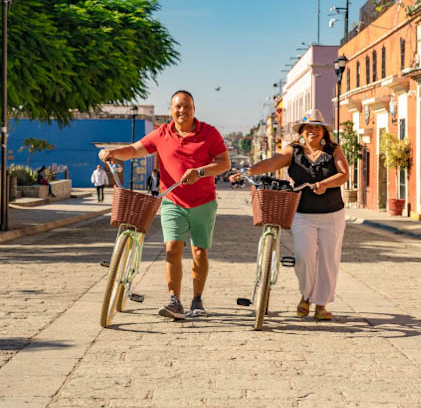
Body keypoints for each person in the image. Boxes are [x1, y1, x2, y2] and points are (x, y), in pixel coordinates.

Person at [99, 91, 231, 319]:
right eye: (177, 106)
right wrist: (113, 153)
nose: (182, 111)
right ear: (171, 109)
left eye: (187, 106)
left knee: (200, 251)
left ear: (194, 108)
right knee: (172, 250)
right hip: (172, 201)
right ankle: (174, 300)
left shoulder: (209, 133)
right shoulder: (162, 133)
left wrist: (200, 172)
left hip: (203, 203)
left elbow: (224, 163)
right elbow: (134, 149)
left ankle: (197, 300)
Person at [231, 109, 348, 321]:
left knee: (328, 260)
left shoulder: (333, 150)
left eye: (316, 127)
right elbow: (270, 163)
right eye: (308, 127)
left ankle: (320, 305)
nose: (312, 130)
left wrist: (324, 184)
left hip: (332, 214)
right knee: (304, 257)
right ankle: (306, 295)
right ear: (302, 131)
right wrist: (248, 172)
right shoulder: (293, 151)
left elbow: (344, 174)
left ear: (323, 131)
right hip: (302, 214)